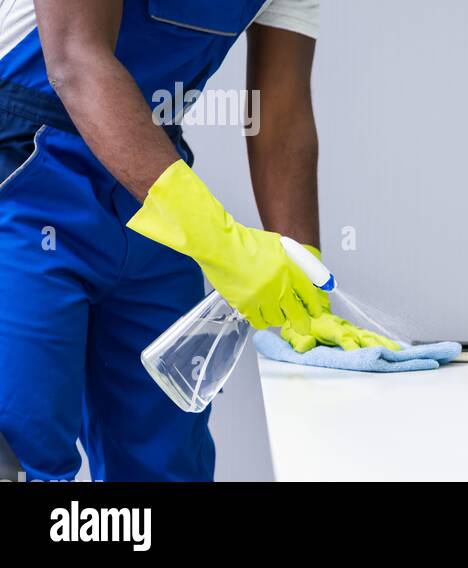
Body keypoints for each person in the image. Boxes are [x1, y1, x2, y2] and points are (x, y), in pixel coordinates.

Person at [0, 0, 395, 482]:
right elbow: (76, 61)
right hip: (23, 174)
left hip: (150, 179)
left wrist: (302, 278)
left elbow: (278, 107)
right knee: (19, 445)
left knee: (166, 460)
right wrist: (221, 242)